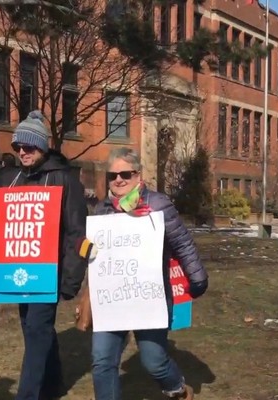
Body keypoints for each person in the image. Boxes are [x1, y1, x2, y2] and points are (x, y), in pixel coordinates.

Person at [0, 110, 90, 400]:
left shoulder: (65, 181)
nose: (23, 152)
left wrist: (71, 278)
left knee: (37, 329)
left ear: (43, 146)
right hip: (16, 271)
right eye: (18, 147)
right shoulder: (10, 181)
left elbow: (78, 233)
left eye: (29, 146)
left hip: (48, 273)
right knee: (32, 328)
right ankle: (52, 384)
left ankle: (28, 395)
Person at [90, 148, 208, 400]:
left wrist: (197, 278)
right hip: (112, 300)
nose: (118, 180)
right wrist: (85, 249)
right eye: (112, 175)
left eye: (125, 174)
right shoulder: (102, 210)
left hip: (149, 297)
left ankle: (177, 388)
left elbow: (182, 243)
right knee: (102, 361)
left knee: (153, 360)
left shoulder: (157, 204)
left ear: (137, 175)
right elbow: (92, 250)